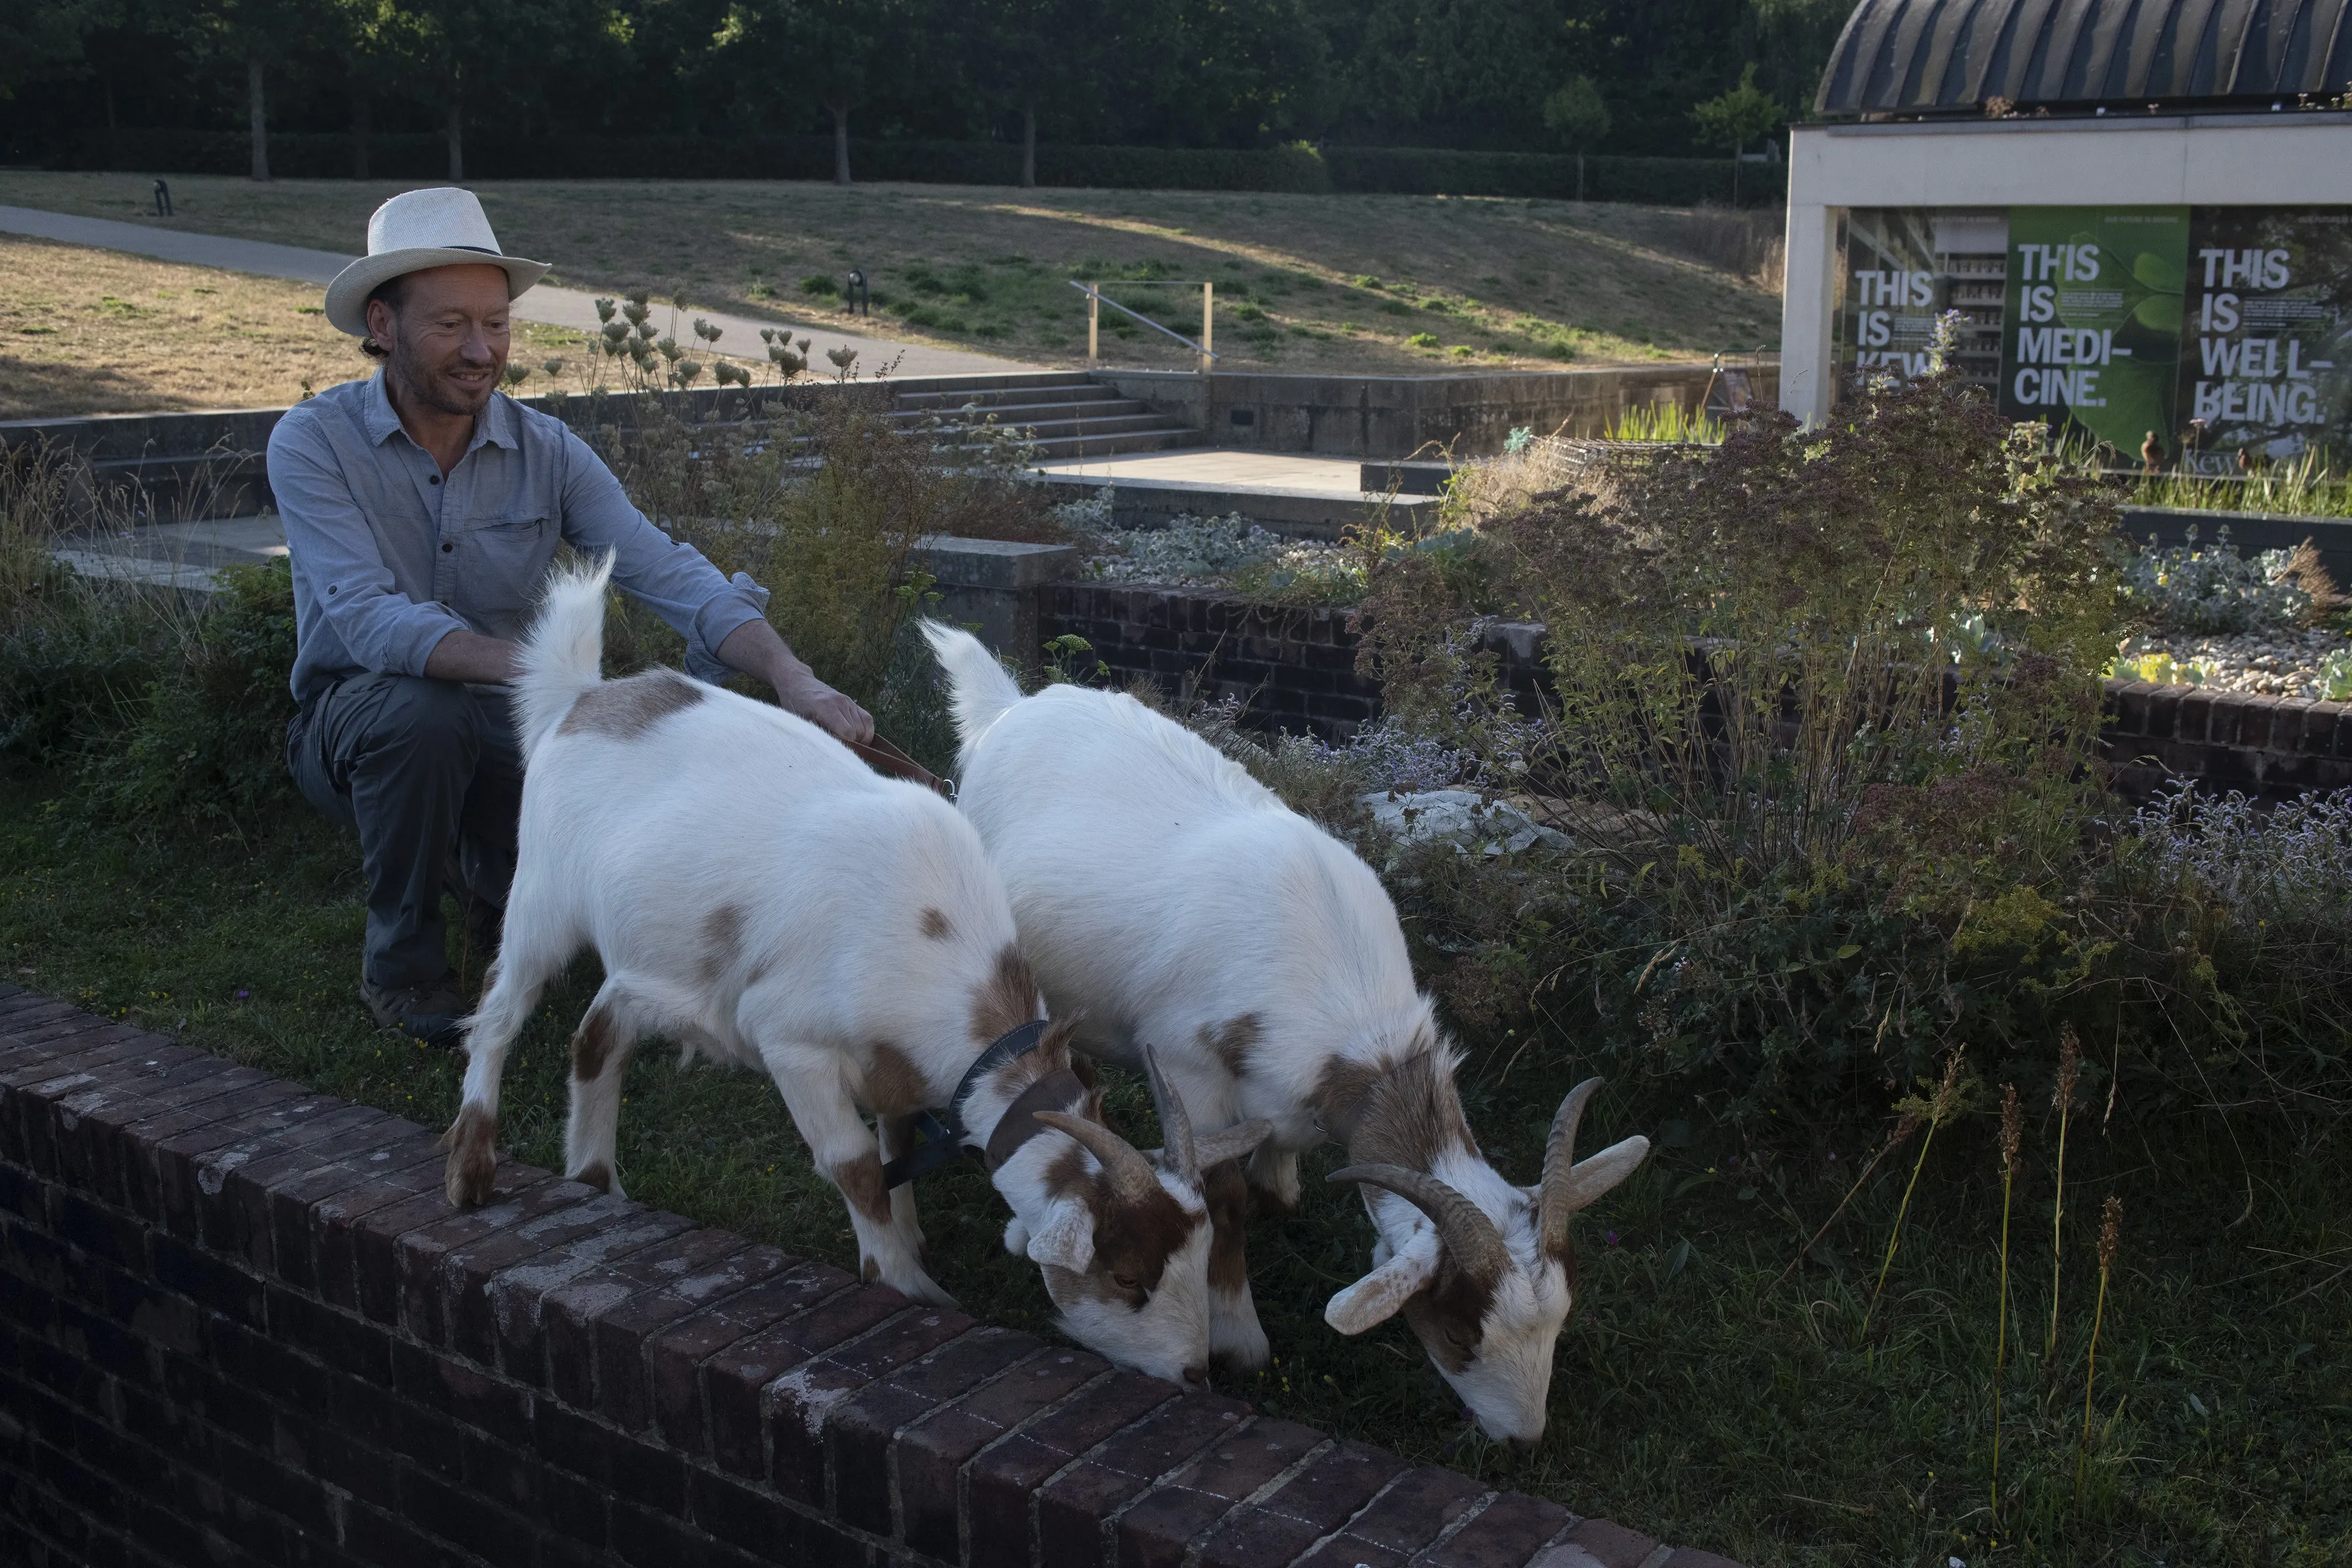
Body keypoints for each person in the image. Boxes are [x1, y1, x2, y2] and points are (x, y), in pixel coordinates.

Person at [270, 187, 873, 1044]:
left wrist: (793, 678)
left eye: (497, 323)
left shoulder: (549, 450)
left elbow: (668, 570)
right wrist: (564, 684)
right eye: (449, 326)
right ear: (382, 323)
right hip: (355, 718)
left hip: (514, 720)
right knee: (423, 713)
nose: (481, 351)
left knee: (588, 777)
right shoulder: (312, 444)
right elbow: (370, 624)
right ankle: (403, 969)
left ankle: (496, 901)